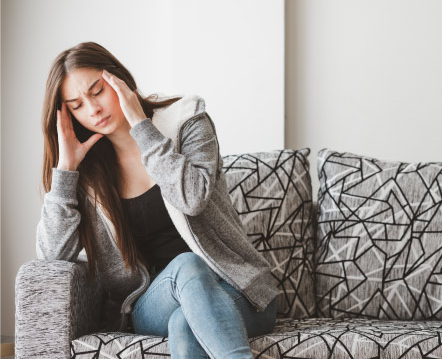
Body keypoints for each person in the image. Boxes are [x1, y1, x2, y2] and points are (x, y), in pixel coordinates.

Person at [36, 41, 279, 359]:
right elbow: (50, 257)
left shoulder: (186, 121)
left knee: (185, 324)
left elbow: (192, 198)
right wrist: (66, 170)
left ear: (119, 80)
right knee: (187, 266)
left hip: (238, 290)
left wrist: (142, 127)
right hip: (153, 303)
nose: (92, 109)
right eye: (77, 105)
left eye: (97, 91)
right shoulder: (87, 170)